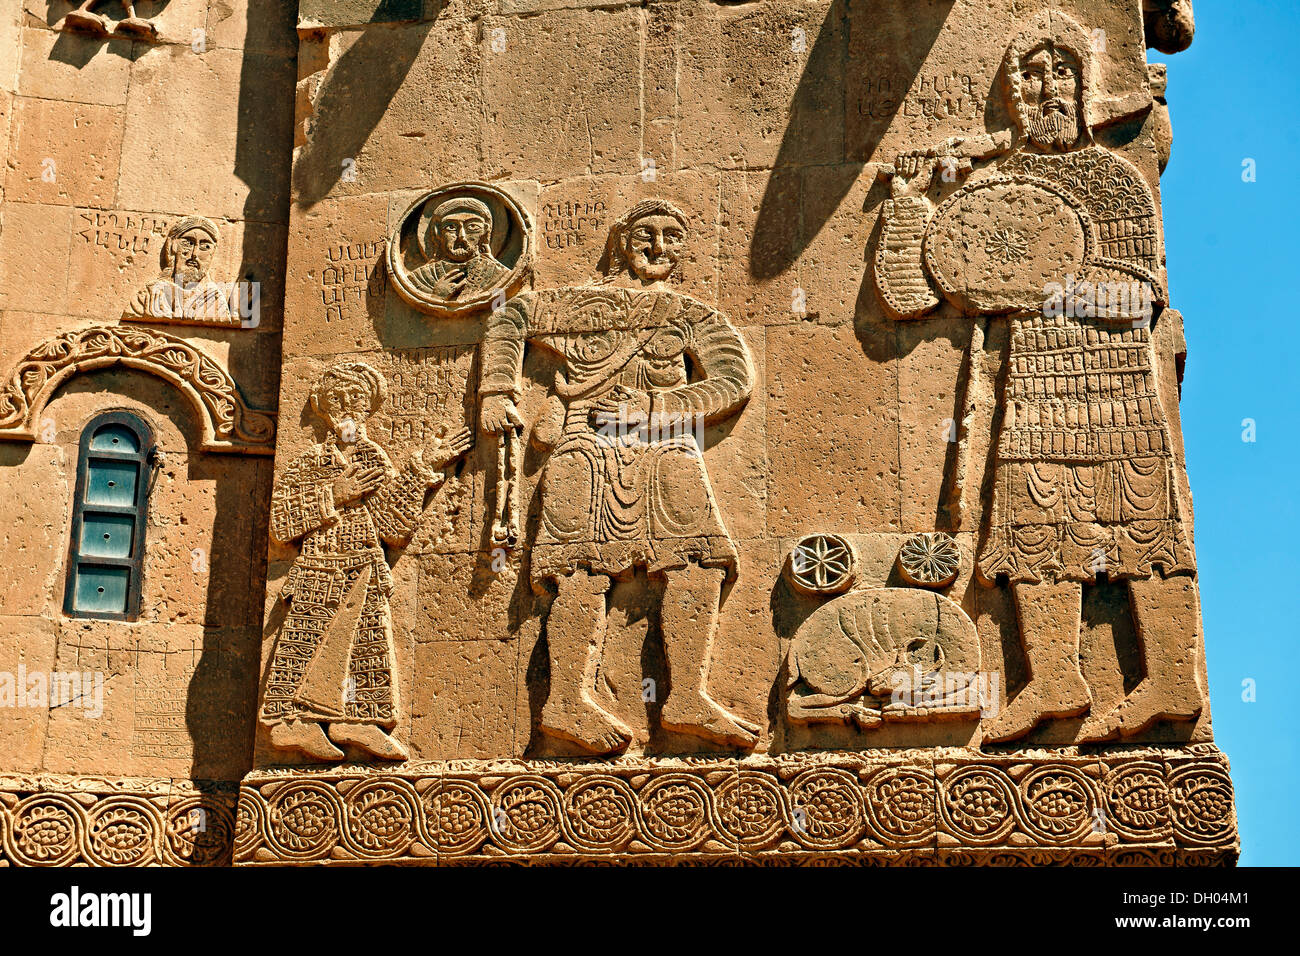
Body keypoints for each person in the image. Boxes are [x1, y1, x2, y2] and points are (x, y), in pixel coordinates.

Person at [875, 11, 1204, 744]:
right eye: (1031, 72)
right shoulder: (997, 185)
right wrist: (908, 206)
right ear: (1013, 91)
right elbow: (915, 294)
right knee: (1032, 532)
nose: (1047, 85)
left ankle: (1172, 680)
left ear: (1084, 83)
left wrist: (1041, 285)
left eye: (1062, 70)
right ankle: (1054, 680)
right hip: (1032, 388)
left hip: (1113, 390)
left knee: (1142, 526)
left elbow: (1135, 292)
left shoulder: (1113, 181)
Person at [479, 200, 758, 754]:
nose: (658, 246)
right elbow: (508, 316)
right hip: (585, 441)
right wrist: (495, 390)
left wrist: (657, 405)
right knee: (580, 571)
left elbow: (733, 380)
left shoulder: (693, 316)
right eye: (646, 234)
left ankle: (687, 697)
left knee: (700, 560)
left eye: (672, 236)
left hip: (665, 441)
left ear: (684, 249)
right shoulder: (581, 305)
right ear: (621, 242)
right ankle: (564, 702)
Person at [260, 361, 471, 761]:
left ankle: (355, 722)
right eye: (337, 397)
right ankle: (291, 724)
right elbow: (281, 523)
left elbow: (392, 523)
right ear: (324, 405)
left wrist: (422, 468)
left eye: (356, 397)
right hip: (319, 568)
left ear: (368, 407)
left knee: (364, 645)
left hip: (363, 565)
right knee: (306, 640)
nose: (347, 405)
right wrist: (333, 495)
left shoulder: (373, 459)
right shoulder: (307, 463)